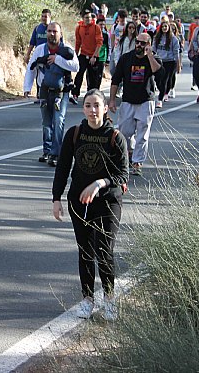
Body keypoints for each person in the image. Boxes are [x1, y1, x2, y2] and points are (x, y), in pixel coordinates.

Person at [52, 88, 128, 321]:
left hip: (107, 202)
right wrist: (56, 198)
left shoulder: (115, 137)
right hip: (79, 200)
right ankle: (87, 299)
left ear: (106, 108)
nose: (92, 110)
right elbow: (62, 168)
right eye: (88, 105)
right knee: (85, 251)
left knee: (104, 251)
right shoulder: (75, 134)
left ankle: (109, 298)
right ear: (83, 108)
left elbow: (122, 176)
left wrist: (100, 183)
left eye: (97, 105)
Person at [24, 22, 80, 166]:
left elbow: (76, 66)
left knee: (58, 120)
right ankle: (47, 150)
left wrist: (58, 60)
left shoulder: (67, 49)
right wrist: (27, 87)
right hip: (44, 91)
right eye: (49, 31)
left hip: (61, 92)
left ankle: (56, 153)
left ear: (60, 34)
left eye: (55, 31)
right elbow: (32, 67)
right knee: (46, 122)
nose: (52, 34)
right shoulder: (40, 50)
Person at [108, 32, 162, 176]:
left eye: (143, 43)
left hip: (146, 101)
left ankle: (137, 162)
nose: (139, 45)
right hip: (128, 101)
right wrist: (112, 100)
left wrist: (149, 55)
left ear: (148, 45)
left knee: (142, 134)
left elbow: (158, 71)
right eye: (137, 42)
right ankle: (129, 152)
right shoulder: (126, 58)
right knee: (125, 132)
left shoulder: (153, 58)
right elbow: (115, 80)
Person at [71, 10, 103, 104]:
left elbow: (99, 42)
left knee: (93, 78)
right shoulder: (79, 28)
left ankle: (92, 96)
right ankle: (75, 95)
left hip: (94, 55)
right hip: (83, 54)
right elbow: (78, 42)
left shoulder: (96, 27)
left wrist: (94, 56)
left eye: (90, 17)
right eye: (86, 17)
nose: (89, 19)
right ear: (83, 18)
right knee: (79, 74)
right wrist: (75, 55)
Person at [24, 9, 53, 100]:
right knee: (38, 72)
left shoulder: (54, 28)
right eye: (42, 16)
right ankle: (40, 94)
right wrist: (28, 55)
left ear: (50, 17)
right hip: (39, 55)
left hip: (50, 55)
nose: (44, 18)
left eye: (46, 16)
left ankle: (51, 93)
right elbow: (32, 43)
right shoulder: (37, 28)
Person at [153, 20, 181, 108]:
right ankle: (163, 91)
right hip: (159, 61)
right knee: (158, 80)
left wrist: (178, 64)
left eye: (166, 26)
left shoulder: (173, 39)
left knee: (165, 80)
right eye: (163, 27)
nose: (164, 28)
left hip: (170, 62)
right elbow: (153, 49)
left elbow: (176, 52)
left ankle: (160, 99)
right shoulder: (157, 38)